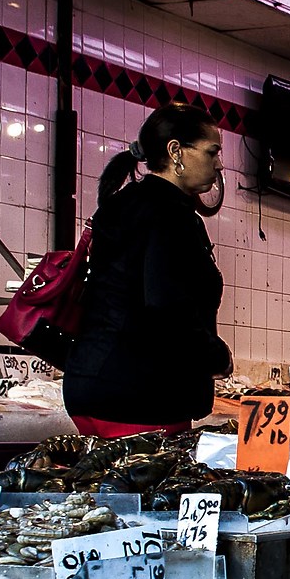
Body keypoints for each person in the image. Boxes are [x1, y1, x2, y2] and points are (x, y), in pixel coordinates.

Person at [64, 103, 231, 436]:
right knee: (153, 473)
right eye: (212, 152)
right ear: (176, 151)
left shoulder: (123, 203)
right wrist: (216, 356)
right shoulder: (170, 214)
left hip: (91, 382)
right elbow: (167, 306)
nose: (218, 164)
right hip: (140, 395)